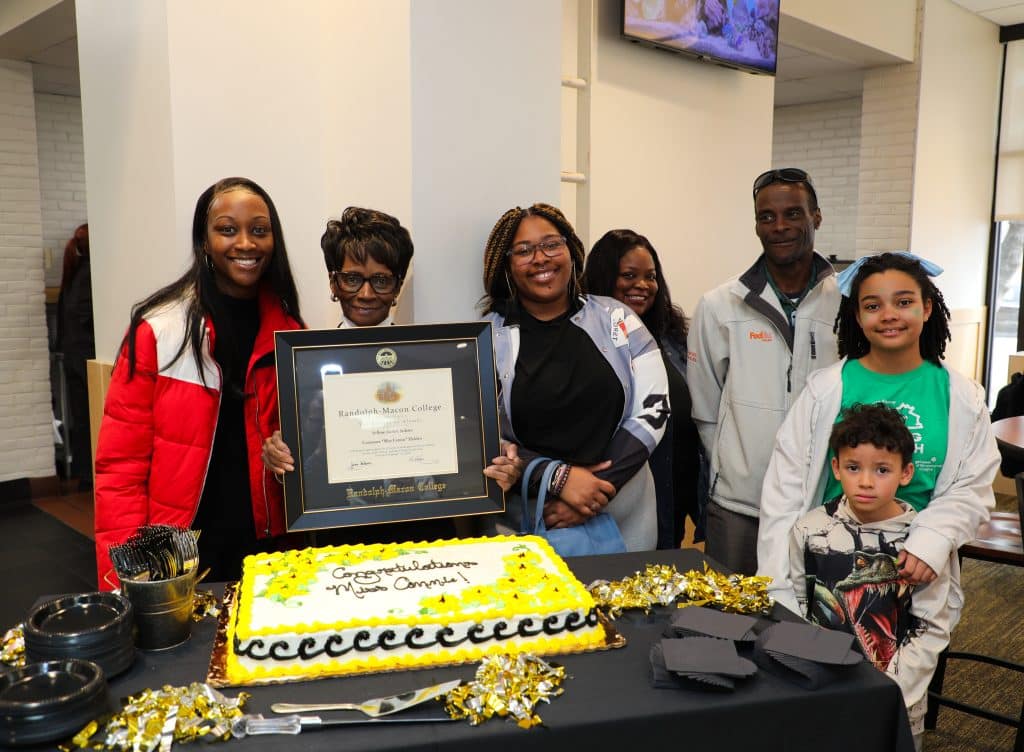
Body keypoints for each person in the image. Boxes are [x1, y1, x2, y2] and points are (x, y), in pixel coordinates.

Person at [758, 251, 998, 618]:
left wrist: (931, 541)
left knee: (910, 666)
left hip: (915, 569)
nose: (889, 315)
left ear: (928, 307)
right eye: (873, 305)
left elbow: (971, 487)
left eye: (904, 302)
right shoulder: (825, 390)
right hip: (829, 567)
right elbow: (785, 489)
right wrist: (778, 585)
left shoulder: (962, 396)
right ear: (857, 315)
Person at [93, 177, 305, 586]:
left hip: (268, 547)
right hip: (180, 552)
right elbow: (120, 468)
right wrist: (122, 578)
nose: (246, 243)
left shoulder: (291, 333)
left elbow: (299, 448)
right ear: (204, 242)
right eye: (227, 229)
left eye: (259, 230)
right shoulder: (159, 331)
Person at [481, 203, 669, 551]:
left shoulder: (618, 318)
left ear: (571, 250)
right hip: (532, 520)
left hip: (623, 509)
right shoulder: (487, 337)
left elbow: (654, 409)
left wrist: (592, 490)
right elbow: (482, 436)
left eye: (551, 244)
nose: (540, 258)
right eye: (523, 251)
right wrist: (559, 479)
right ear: (505, 266)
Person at [688, 167, 841, 574]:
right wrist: (733, 469)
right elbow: (704, 407)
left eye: (793, 214)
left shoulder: (847, 303)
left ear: (817, 218)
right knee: (730, 620)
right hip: (740, 505)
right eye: (766, 217)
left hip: (823, 502)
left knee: (811, 627)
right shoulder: (720, 305)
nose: (779, 226)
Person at [789, 402, 955, 745]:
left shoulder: (927, 542)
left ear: (906, 473)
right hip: (822, 695)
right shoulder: (809, 530)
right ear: (836, 468)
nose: (865, 482)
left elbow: (933, 625)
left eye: (882, 470)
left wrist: (891, 689)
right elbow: (797, 605)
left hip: (897, 702)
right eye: (853, 467)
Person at [584, 229, 702, 549]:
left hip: (671, 495)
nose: (643, 285)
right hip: (616, 502)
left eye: (650, 276)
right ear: (604, 277)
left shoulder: (673, 337)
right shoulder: (587, 342)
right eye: (629, 275)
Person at [56, 223, 95, 491]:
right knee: (96, 419)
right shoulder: (94, 273)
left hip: (71, 355)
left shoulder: (73, 272)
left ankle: (85, 474)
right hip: (88, 355)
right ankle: (95, 475)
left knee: (82, 419)